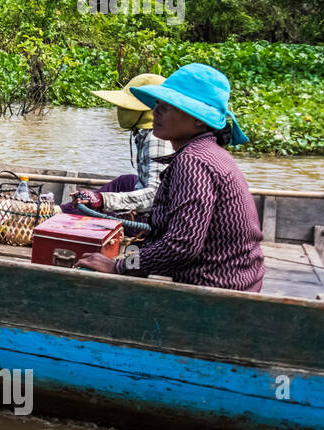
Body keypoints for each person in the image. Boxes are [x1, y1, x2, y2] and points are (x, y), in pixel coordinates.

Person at [77, 63, 265, 292]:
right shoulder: (206, 151)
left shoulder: (193, 161)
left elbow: (182, 245)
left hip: (217, 290)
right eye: (157, 105)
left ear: (198, 119)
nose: (155, 112)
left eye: (167, 107)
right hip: (239, 281)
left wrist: (120, 266)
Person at [63, 73, 172, 217]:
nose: (120, 110)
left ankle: (58, 214)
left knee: (99, 222)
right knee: (126, 181)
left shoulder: (156, 138)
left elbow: (155, 196)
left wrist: (103, 200)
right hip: (151, 207)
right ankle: (62, 210)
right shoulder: (146, 134)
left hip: (154, 219)